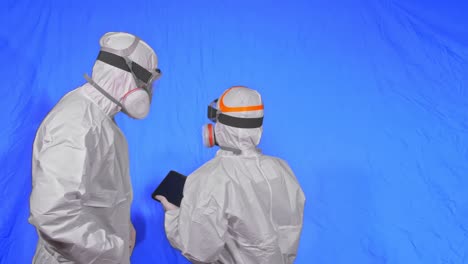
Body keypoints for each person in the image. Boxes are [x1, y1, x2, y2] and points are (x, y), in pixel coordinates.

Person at [29, 32, 161, 264]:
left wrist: (123, 227)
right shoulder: (77, 123)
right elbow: (53, 215)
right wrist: (114, 250)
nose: (148, 91)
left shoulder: (98, 117)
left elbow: (100, 193)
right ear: (127, 78)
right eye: (145, 83)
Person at [156, 86, 306, 264]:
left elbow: (199, 251)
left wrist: (173, 216)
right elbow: (287, 231)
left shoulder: (210, 178)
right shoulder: (282, 170)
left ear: (220, 126)